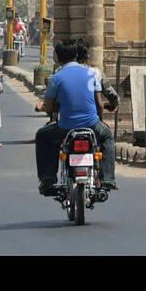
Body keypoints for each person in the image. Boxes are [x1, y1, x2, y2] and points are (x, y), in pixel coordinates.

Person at [34, 39, 117, 195]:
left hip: (65, 128)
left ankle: (47, 178)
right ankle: (107, 179)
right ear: (77, 55)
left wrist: (44, 107)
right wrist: (101, 120)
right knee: (107, 137)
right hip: (92, 125)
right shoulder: (90, 73)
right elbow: (99, 104)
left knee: (42, 136)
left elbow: (50, 107)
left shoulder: (56, 78)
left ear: (58, 58)